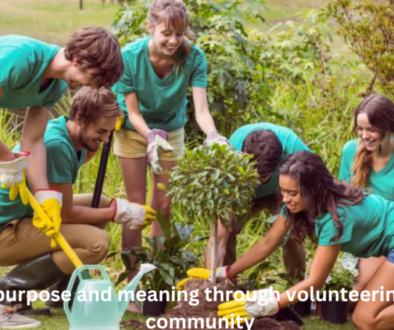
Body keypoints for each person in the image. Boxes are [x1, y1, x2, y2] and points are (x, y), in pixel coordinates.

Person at [181, 150, 394, 330]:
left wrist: (268, 304)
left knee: (365, 319)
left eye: (292, 193)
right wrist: (225, 272)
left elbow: (314, 282)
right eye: (282, 191)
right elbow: (268, 243)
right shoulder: (299, 205)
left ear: (313, 189)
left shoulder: (334, 218)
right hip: (385, 243)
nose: (285, 199)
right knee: (358, 302)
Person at [0, 87, 155, 329]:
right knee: (97, 243)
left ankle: (61, 294)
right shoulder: (57, 146)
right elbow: (66, 212)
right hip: (6, 228)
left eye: (108, 132)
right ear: (80, 118)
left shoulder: (76, 136)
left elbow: (68, 203)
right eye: (100, 132)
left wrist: (109, 121)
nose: (104, 140)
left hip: (28, 215)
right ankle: (9, 288)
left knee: (102, 202)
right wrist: (120, 213)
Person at [112, 0, 229, 311]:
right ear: (149, 28)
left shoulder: (193, 56)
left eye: (179, 34)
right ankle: (132, 281)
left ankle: (156, 279)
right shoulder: (129, 58)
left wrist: (213, 135)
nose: (173, 41)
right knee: (136, 206)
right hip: (133, 130)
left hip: (172, 132)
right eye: (166, 33)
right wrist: (148, 135)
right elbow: (133, 111)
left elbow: (201, 109)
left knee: (163, 204)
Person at [0, 28, 124, 253]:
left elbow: (33, 139)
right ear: (78, 60)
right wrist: (7, 158)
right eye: (95, 78)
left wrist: (43, 195)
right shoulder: (19, 59)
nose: (94, 87)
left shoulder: (55, 86)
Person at [205, 123, 310, 282]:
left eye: (259, 178)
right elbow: (217, 238)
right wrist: (208, 282)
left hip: (281, 192)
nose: (254, 182)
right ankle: (221, 285)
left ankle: (297, 287)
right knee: (225, 230)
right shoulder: (229, 155)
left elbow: (318, 179)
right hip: (240, 191)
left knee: (293, 233)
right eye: (250, 175)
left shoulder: (293, 146)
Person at [339, 94, 394, 311]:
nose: (365, 136)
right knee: (350, 300)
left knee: (370, 301)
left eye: (371, 129)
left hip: (389, 235)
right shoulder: (350, 151)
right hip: (365, 238)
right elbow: (344, 202)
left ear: (389, 126)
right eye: (360, 129)